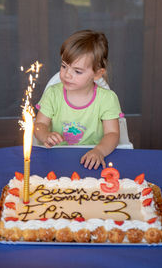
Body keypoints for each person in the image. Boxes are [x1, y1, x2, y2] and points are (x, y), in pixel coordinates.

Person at [34, 30, 121, 170]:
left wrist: (99, 151)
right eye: (64, 66)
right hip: (56, 157)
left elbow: (113, 134)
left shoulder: (107, 99)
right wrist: (45, 135)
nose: (67, 75)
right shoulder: (53, 94)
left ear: (98, 74)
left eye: (77, 71)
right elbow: (39, 124)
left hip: (92, 159)